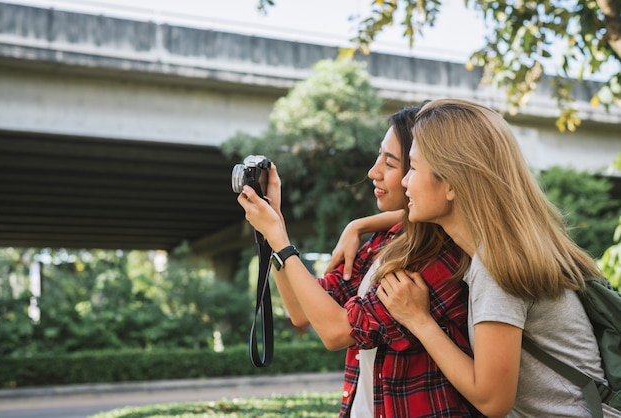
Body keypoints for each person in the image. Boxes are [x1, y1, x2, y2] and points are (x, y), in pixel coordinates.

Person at [373, 98, 620, 417]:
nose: (405, 180)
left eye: (415, 167)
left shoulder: (495, 269)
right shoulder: (513, 246)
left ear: (451, 183)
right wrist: (360, 226)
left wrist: (419, 321)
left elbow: (492, 400)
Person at [237, 106, 482, 417]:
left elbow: (336, 332)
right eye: (379, 157)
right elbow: (302, 312)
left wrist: (280, 240)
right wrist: (276, 226)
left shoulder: (442, 258)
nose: (373, 171)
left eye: (390, 163)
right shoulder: (390, 238)